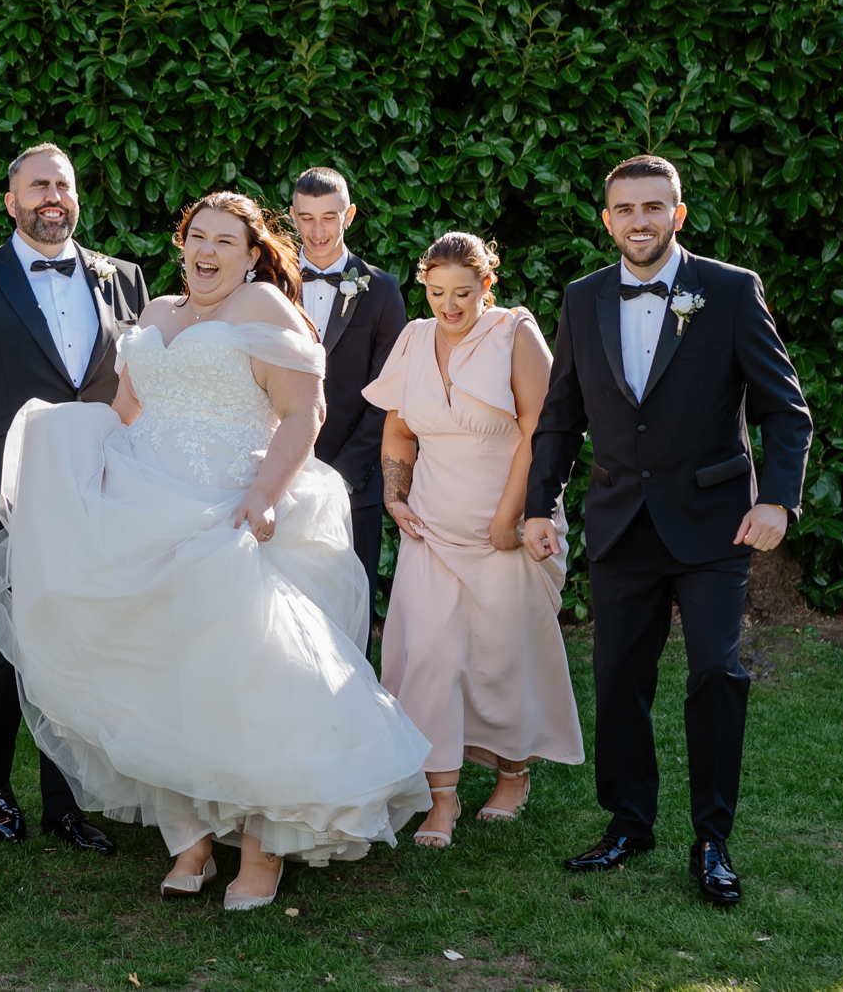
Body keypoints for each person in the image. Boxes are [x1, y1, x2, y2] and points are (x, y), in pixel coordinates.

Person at [0, 192, 433, 910]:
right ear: (181, 243)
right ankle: (189, 836)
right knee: (159, 671)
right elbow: (128, 412)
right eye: (198, 236)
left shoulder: (264, 309)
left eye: (226, 240)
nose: (207, 251)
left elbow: (304, 412)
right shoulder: (158, 313)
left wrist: (264, 494)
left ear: (252, 256)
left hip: (229, 507)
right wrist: (74, 458)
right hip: (147, 507)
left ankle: (261, 846)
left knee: (249, 674)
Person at [524, 155, 812, 907]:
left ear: (678, 214)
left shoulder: (730, 289)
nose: (640, 221)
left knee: (716, 672)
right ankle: (629, 822)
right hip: (621, 520)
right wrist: (538, 505)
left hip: (715, 524)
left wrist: (778, 501)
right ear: (607, 219)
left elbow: (785, 410)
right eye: (625, 208)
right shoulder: (583, 297)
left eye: (654, 207)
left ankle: (712, 838)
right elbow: (561, 415)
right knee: (619, 676)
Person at [0, 143, 152, 853]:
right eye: (38, 185)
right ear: (11, 201)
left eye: (63, 185)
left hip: (98, 490)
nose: (53, 197)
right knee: (2, 647)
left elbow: (142, 383)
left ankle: (67, 804)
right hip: (3, 495)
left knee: (80, 642)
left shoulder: (123, 277)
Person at [362, 232, 583, 850]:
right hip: (432, 529)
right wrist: (395, 497)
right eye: (436, 292)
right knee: (429, 655)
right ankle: (442, 797)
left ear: (488, 284)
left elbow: (542, 430)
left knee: (502, 655)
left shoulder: (515, 332)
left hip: (504, 525)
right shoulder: (413, 339)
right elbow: (399, 431)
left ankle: (513, 775)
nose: (448, 306)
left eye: (462, 292)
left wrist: (512, 515)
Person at [289, 165, 407, 646]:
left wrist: (342, 474)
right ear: (292, 217)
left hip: (354, 481)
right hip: (279, 477)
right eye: (306, 218)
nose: (317, 231)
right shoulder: (268, 282)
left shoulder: (382, 290)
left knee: (351, 613)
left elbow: (387, 393)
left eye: (329, 217)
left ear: (350, 215)